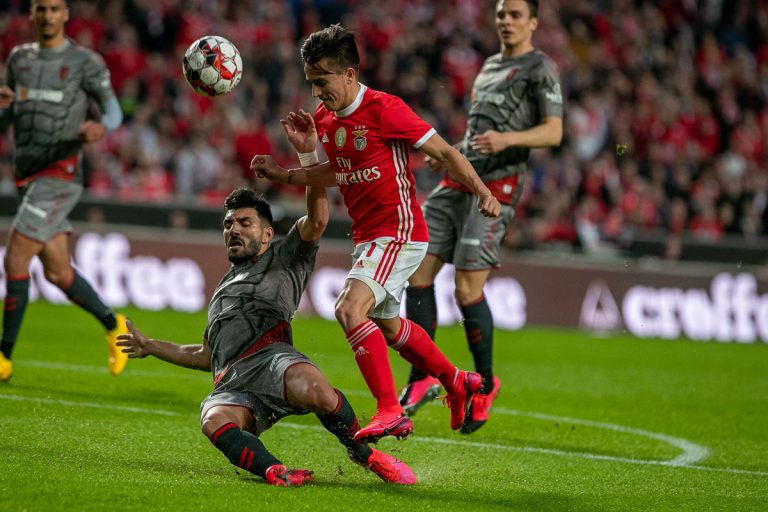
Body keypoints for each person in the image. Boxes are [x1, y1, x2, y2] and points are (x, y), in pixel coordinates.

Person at [251, 24, 502, 444]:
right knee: (388, 326)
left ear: (349, 74)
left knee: (350, 310)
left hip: (399, 231)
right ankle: (456, 381)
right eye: (311, 82)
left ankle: (390, 410)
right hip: (369, 237)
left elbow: (444, 152)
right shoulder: (325, 119)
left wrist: (482, 192)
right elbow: (338, 170)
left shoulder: (386, 109)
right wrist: (287, 170)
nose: (316, 92)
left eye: (322, 81)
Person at [116, 186, 416, 487]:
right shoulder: (222, 290)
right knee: (212, 420)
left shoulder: (285, 257)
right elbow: (207, 355)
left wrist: (309, 164)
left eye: (244, 223)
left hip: (274, 360)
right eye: (228, 224)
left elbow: (317, 220)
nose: (234, 229)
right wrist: (150, 346)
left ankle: (364, 454)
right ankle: (275, 470)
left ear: (267, 235)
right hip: (233, 383)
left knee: (318, 392)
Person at [399, 0, 564, 434]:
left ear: (532, 22)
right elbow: (477, 133)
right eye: (500, 15)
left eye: (514, 15)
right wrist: (451, 154)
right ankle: (420, 378)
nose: (505, 22)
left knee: (466, 288)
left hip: (499, 186)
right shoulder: (489, 65)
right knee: (415, 272)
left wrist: (507, 138)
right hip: (460, 179)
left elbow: (554, 130)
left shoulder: (540, 68)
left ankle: (486, 384)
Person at [0, 0, 128, 382]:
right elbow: (10, 116)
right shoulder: (19, 59)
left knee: (15, 259)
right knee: (57, 272)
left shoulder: (85, 62)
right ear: (33, 14)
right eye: (41, 8)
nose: (48, 15)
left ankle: (4, 357)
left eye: (55, 8)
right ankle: (113, 324)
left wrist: (100, 127)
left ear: (66, 14)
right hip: (26, 174)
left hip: (61, 174)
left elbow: (113, 111)